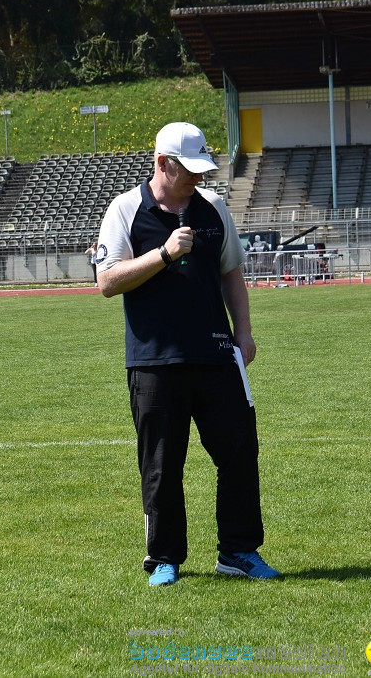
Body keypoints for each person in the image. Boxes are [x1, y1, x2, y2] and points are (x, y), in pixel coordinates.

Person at [95, 121, 280, 587]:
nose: (199, 178)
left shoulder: (214, 209)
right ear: (162, 163)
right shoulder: (125, 210)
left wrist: (245, 332)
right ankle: (164, 558)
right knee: (161, 463)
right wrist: (163, 253)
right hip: (154, 360)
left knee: (239, 451)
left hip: (217, 355)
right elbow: (106, 281)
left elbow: (231, 272)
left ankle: (238, 551)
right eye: (189, 170)